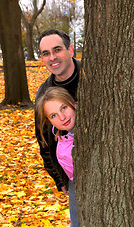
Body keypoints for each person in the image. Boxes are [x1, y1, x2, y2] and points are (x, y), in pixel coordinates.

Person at [35, 29, 81, 193]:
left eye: (57, 50)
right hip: (74, 175)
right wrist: (58, 178)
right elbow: (44, 140)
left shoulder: (92, 76)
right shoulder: (44, 94)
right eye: (46, 53)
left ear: (70, 50)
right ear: (42, 58)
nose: (52, 57)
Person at [36, 86, 79, 227]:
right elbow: (49, 157)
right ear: (49, 120)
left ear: (74, 104)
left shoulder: (84, 129)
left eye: (64, 108)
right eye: (53, 115)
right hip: (73, 184)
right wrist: (60, 180)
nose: (62, 117)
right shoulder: (56, 133)